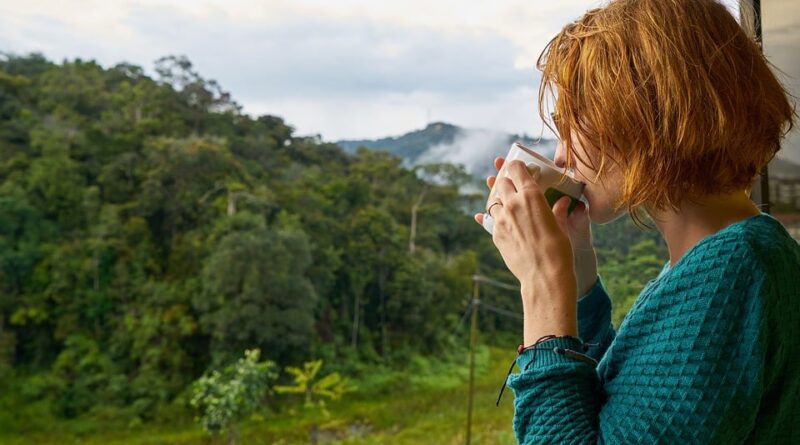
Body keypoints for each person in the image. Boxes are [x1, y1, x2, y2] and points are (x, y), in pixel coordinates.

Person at [472, 0, 799, 443]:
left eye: (573, 126)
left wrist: (543, 288)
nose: (562, 156)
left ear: (644, 116)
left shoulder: (733, 270)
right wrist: (577, 275)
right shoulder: (726, 256)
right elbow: (628, 410)